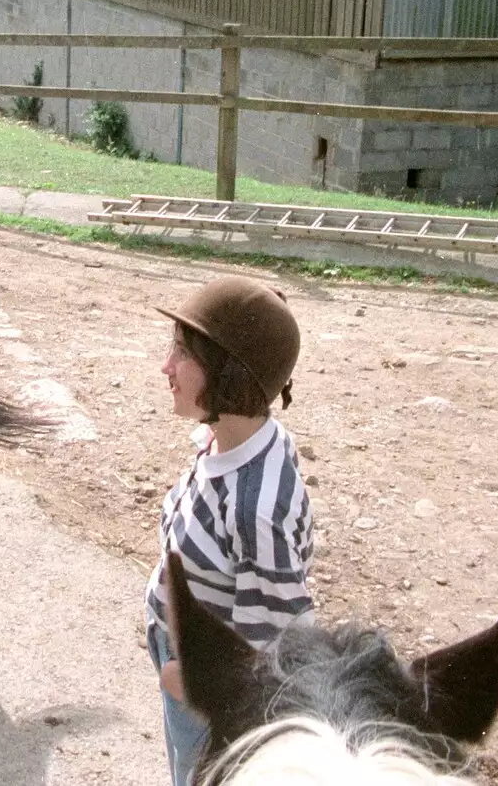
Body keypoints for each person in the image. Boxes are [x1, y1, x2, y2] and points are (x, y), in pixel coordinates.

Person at [143, 276, 315, 786]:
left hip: (207, 697)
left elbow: (276, 638)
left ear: (228, 377)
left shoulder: (255, 508)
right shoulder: (232, 441)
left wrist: (186, 681)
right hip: (185, 658)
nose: (165, 367)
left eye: (182, 354)